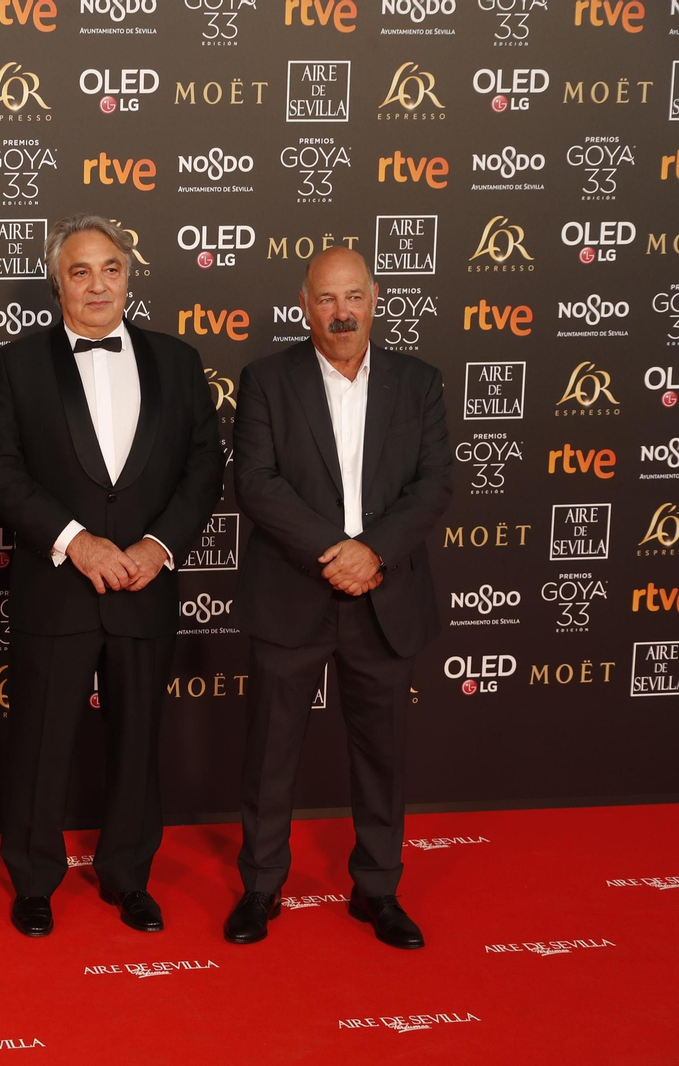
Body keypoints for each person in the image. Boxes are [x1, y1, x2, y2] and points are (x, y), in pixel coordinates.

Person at [0, 214, 224, 938]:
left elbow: (205, 467)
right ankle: (33, 881)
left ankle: (128, 877)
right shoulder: (17, 366)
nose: (96, 284)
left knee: (140, 740)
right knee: (40, 742)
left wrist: (157, 546)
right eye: (79, 271)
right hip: (56, 582)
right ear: (58, 282)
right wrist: (75, 540)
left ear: (128, 275)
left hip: (147, 586)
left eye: (109, 268)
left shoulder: (178, 362)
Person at [225, 246, 452, 949]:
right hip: (293, 590)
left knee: (382, 753)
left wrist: (372, 552)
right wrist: (338, 552)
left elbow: (434, 486)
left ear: (377, 298)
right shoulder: (267, 379)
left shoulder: (419, 383)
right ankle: (261, 887)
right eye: (327, 299)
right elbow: (257, 484)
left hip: (384, 593)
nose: (342, 311)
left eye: (353, 296)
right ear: (305, 305)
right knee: (270, 750)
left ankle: (378, 888)